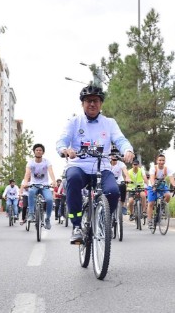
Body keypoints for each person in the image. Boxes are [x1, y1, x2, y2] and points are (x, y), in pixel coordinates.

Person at [56, 85, 135, 244]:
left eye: (96, 101)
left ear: (101, 104)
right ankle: (77, 226)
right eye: (88, 101)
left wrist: (127, 150)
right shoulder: (74, 122)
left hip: (102, 167)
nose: (92, 104)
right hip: (78, 166)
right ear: (82, 104)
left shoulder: (109, 123)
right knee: (72, 180)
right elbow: (62, 141)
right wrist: (65, 150)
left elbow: (120, 139)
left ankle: (101, 218)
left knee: (113, 192)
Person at [22, 143, 57, 230]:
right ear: (34, 152)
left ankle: (47, 219)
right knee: (30, 192)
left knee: (49, 200)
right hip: (34, 184)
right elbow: (27, 173)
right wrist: (26, 182)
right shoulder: (30, 162)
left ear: (43, 152)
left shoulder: (46, 162)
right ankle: (31, 214)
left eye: (40, 150)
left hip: (45, 185)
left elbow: (51, 171)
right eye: (37, 150)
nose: (38, 151)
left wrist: (54, 181)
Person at [146, 154, 175, 228]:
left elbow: (171, 178)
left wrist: (174, 186)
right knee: (151, 203)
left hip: (162, 184)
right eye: (160, 160)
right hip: (152, 186)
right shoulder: (153, 168)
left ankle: (162, 207)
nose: (161, 162)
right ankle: (149, 220)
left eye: (163, 160)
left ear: (165, 161)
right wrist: (153, 185)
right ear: (157, 161)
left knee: (168, 195)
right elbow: (152, 178)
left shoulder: (166, 169)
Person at [109, 150, 129, 215]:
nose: (114, 156)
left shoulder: (120, 163)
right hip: (110, 181)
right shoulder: (107, 163)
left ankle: (122, 205)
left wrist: (128, 177)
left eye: (116, 155)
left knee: (123, 186)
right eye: (113, 155)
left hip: (119, 181)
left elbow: (125, 171)